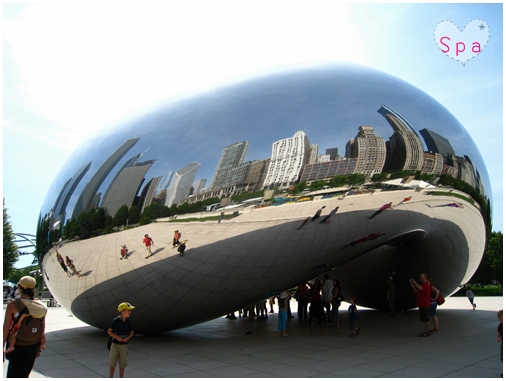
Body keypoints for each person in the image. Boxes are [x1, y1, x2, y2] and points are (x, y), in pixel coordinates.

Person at [3, 276, 48, 378]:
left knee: (14, 375)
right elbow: (42, 327)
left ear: (19, 288)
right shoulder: (39, 305)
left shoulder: (13, 305)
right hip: (32, 345)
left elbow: (6, 328)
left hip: (17, 346)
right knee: (25, 374)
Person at [108, 302, 135, 378]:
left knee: (122, 364)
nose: (130, 312)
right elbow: (109, 331)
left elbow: (132, 333)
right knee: (112, 363)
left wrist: (127, 338)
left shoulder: (129, 322)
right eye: (128, 310)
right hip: (115, 344)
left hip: (124, 345)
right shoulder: (116, 320)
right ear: (122, 311)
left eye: (130, 310)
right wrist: (116, 337)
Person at [497, 310, 503, 377]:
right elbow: (498, 332)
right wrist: (498, 338)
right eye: (501, 320)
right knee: (502, 359)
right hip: (503, 345)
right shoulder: (500, 325)